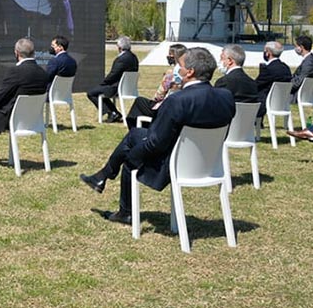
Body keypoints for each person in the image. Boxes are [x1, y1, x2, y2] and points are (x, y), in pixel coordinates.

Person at [80, 47, 235, 224]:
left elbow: (156, 143)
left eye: (180, 65)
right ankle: (103, 176)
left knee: (131, 151)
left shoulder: (177, 101)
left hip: (175, 163)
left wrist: (131, 155)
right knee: (137, 134)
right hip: (211, 164)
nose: (178, 69)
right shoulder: (226, 97)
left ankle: (124, 209)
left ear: (190, 72)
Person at [125, 44, 188, 128]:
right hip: (181, 108)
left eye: (170, 54)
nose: (168, 56)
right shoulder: (189, 72)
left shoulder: (171, 74)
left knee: (139, 102)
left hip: (166, 108)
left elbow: (159, 95)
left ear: (175, 56)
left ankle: (137, 129)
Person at [86, 36, 138, 123]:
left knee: (91, 92)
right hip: (129, 87)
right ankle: (114, 112)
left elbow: (113, 75)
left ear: (119, 47)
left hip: (117, 88)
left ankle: (111, 112)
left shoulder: (121, 59)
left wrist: (103, 82)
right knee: (98, 91)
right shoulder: (134, 58)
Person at [255, 41, 292, 118]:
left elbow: (256, 84)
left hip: (267, 102)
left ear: (268, 53)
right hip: (283, 102)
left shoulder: (268, 69)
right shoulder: (286, 68)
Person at [290, 35, 313, 103]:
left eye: (296, 46)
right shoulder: (310, 60)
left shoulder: (308, 64)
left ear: (301, 47)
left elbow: (298, 83)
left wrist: (285, 86)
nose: (295, 48)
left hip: (297, 96)